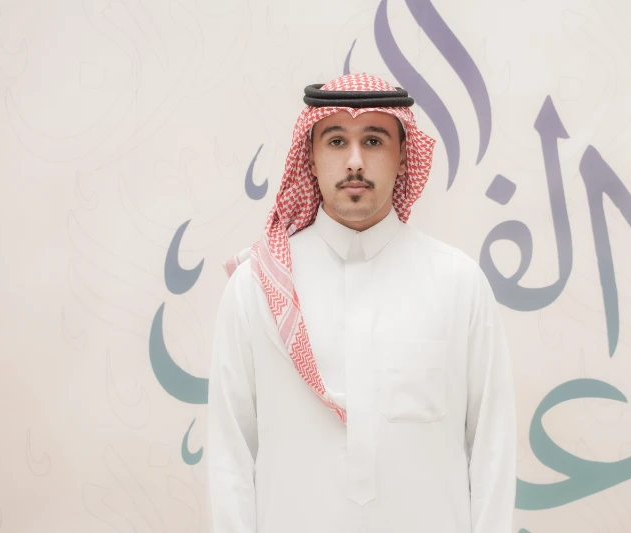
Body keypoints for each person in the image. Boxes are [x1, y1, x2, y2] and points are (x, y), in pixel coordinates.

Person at [206, 73, 516, 533]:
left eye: (373, 140)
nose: (354, 162)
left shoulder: (459, 284)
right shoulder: (256, 287)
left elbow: (493, 451)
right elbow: (229, 457)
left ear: (403, 157)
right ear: (310, 158)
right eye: (336, 141)